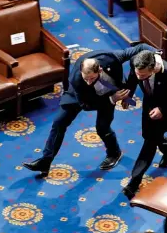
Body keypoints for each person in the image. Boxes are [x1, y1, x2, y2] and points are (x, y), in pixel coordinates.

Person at [23, 44, 151, 176]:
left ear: (100, 70)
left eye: (92, 78)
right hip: (81, 96)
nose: (89, 82)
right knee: (59, 122)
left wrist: (157, 54)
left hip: (108, 93)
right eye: (86, 78)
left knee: (102, 127)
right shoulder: (78, 80)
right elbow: (85, 105)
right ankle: (46, 161)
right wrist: (112, 100)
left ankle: (114, 153)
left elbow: (141, 47)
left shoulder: (112, 59)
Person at [122, 48, 167, 199]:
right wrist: (128, 95)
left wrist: (163, 109)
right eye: (138, 73)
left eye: (144, 75)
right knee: (149, 134)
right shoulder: (137, 62)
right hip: (150, 106)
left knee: (150, 141)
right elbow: (133, 78)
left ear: (153, 69)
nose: (140, 77)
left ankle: (134, 182)